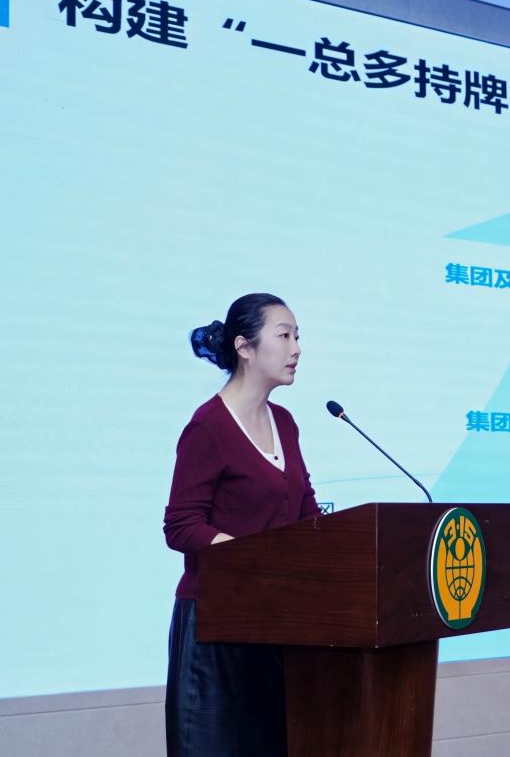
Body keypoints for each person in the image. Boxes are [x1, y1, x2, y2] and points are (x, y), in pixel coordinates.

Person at [163, 293, 321, 757]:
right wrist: (244, 554)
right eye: (284, 336)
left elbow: (305, 513)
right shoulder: (209, 425)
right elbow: (180, 525)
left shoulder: (285, 424)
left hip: (272, 626)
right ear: (244, 347)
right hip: (214, 630)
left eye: (298, 337)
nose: (296, 349)